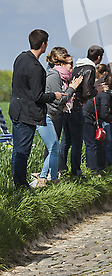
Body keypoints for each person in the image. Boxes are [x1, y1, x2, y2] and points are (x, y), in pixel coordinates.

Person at [9, 29, 63, 188]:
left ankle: (18, 183)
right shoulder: (36, 68)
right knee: (22, 152)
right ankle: (21, 186)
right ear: (44, 44)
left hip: (16, 109)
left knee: (17, 151)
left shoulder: (21, 57)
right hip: (27, 113)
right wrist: (54, 95)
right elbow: (38, 96)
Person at [36, 47, 83, 186]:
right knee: (53, 147)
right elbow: (59, 99)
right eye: (70, 64)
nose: (72, 67)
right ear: (62, 64)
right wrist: (72, 88)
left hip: (53, 115)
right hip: (46, 116)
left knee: (54, 147)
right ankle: (47, 178)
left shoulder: (62, 77)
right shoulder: (54, 76)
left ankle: (49, 178)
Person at [59, 45, 104, 178]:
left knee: (66, 140)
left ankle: (61, 168)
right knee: (77, 142)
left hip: (68, 106)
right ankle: (76, 172)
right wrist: (98, 90)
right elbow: (87, 93)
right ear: (99, 58)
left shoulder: (78, 66)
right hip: (77, 106)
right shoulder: (90, 68)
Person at [82, 65, 112, 174]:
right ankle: (94, 170)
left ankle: (100, 167)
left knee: (99, 143)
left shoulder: (104, 92)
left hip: (92, 117)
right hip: (88, 118)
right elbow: (104, 113)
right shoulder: (105, 94)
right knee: (92, 144)